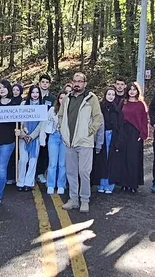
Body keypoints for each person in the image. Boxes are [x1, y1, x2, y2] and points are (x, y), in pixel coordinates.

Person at [59, 72, 103, 213]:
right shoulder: (67, 98)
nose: (77, 83)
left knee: (84, 172)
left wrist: (89, 131)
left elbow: (98, 118)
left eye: (80, 81)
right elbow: (60, 116)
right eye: (75, 81)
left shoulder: (91, 98)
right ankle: (73, 199)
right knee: (71, 172)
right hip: (69, 142)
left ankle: (85, 200)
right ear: (72, 82)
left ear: (85, 83)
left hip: (84, 142)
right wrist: (62, 130)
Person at [110, 82, 148, 193]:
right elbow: (117, 116)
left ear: (137, 91)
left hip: (135, 134)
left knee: (133, 159)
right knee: (123, 158)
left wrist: (143, 134)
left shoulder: (141, 104)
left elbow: (144, 120)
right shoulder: (123, 102)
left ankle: (133, 184)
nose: (132, 91)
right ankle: (123, 183)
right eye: (130, 89)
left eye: (134, 89)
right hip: (123, 132)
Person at [93, 87, 122, 194]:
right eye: (109, 94)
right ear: (105, 95)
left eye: (113, 95)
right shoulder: (100, 108)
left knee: (111, 160)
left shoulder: (117, 109)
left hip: (112, 136)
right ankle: (101, 183)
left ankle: (110, 184)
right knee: (101, 160)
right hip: (101, 136)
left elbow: (119, 126)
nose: (111, 96)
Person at [17, 86, 44, 191]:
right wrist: (24, 133)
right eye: (33, 92)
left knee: (33, 160)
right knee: (23, 160)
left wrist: (32, 136)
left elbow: (41, 124)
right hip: (23, 136)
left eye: (37, 92)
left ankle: (28, 182)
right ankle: (20, 182)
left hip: (35, 138)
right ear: (30, 94)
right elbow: (20, 121)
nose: (35, 94)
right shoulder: (24, 104)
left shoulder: (42, 107)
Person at [45, 91, 67, 195]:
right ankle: (50, 184)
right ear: (58, 99)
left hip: (64, 138)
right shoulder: (52, 110)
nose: (62, 100)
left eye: (64, 98)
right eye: (60, 98)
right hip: (54, 136)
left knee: (62, 164)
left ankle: (61, 185)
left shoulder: (70, 110)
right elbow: (47, 122)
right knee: (52, 163)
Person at [36, 74, 56, 184]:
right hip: (34, 128)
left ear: (49, 84)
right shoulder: (34, 95)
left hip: (46, 129)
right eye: (42, 81)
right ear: (39, 83)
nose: (44, 84)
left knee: (44, 152)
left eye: (46, 82)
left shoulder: (52, 99)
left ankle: (40, 172)